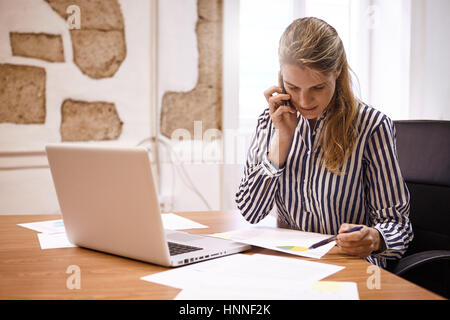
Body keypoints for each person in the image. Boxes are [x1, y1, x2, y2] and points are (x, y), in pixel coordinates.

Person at [235, 17, 413, 268]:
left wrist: (375, 238)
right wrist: (282, 140)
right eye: (293, 87)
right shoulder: (272, 120)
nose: (304, 101)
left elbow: (399, 226)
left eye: (318, 87)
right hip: (292, 264)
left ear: (337, 72)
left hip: (349, 267)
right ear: (280, 76)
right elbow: (250, 211)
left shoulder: (372, 126)